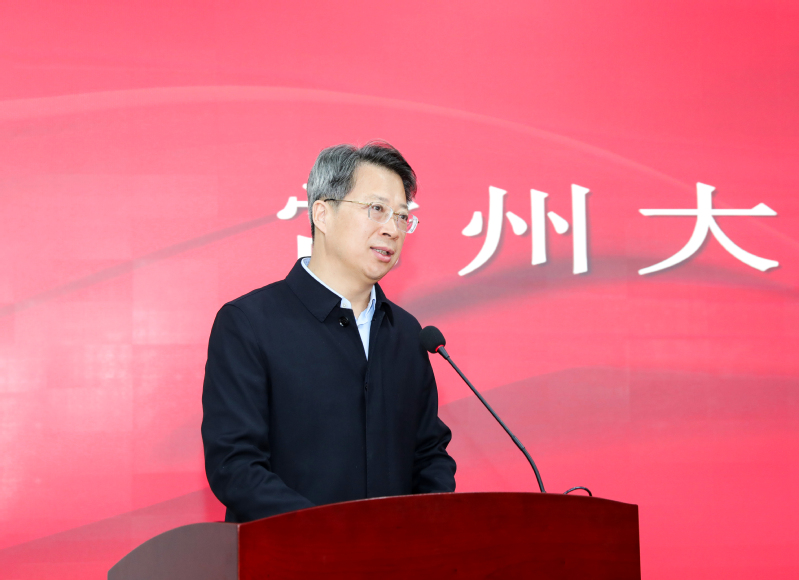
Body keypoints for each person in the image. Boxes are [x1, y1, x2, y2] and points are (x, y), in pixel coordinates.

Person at [201, 141, 456, 522]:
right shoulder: (249, 323)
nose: (392, 229)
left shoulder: (406, 333)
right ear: (322, 213)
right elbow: (235, 467)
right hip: (286, 552)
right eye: (376, 209)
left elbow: (430, 454)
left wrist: (417, 531)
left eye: (402, 217)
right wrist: (330, 537)